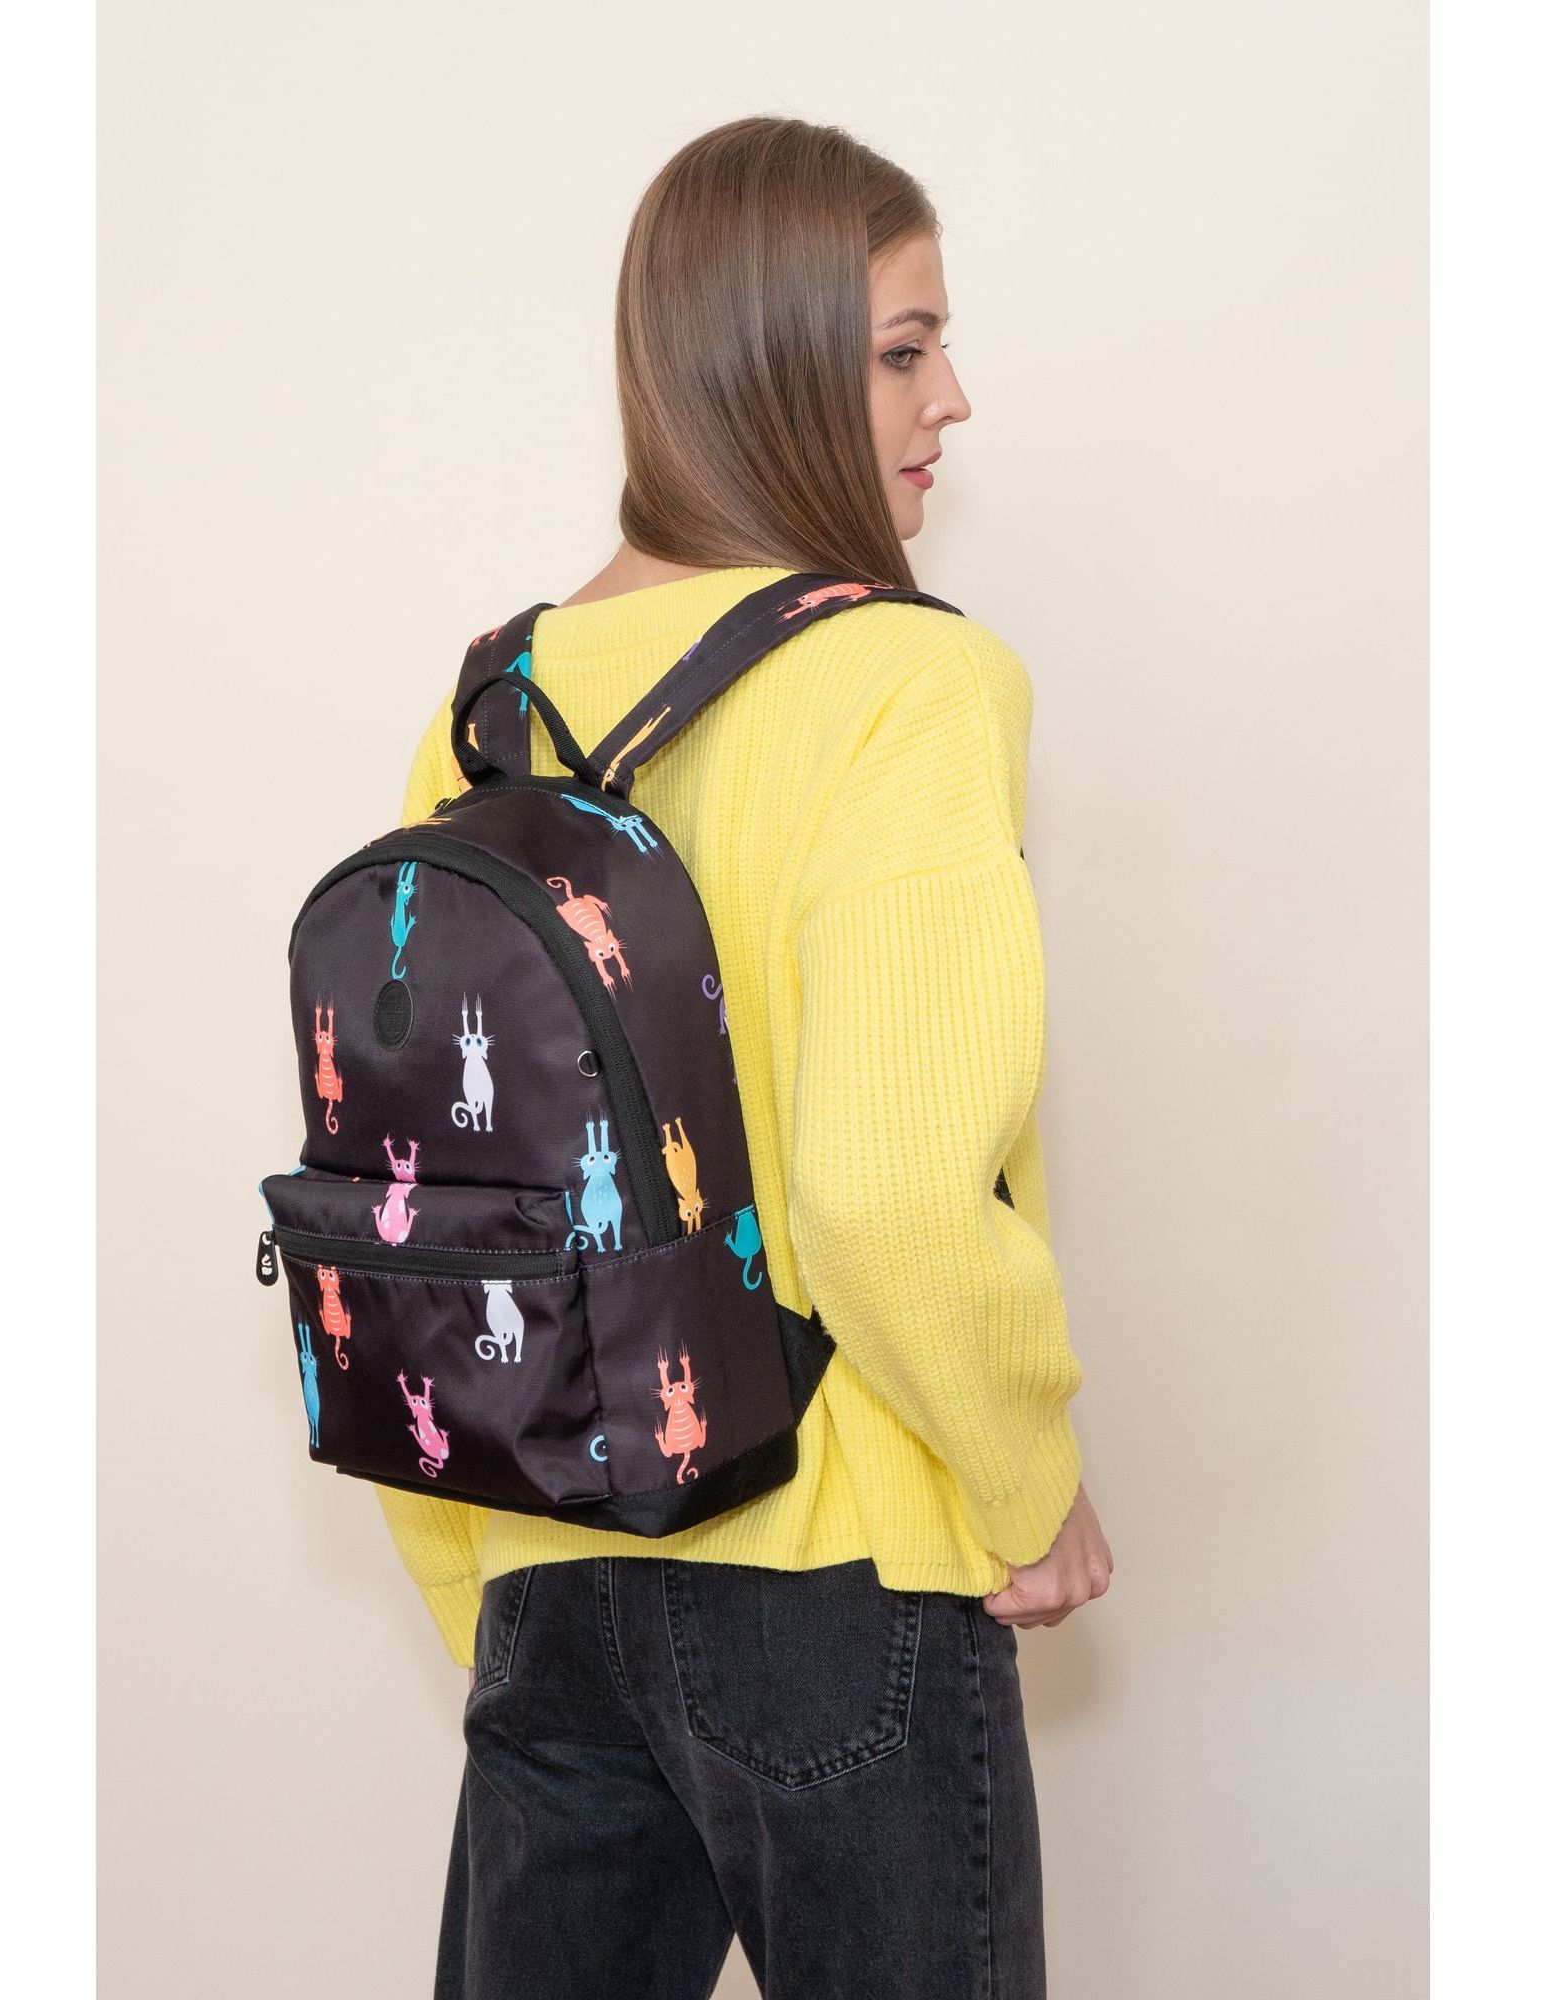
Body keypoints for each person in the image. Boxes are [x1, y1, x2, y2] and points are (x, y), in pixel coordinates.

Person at [379, 115, 1114, 2000]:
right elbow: (880, 1194)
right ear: (769, 360)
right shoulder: (912, 679)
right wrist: (1025, 1481)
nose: (952, 400)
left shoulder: (490, 709)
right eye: (902, 350)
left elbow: (421, 1202)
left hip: (548, 1563)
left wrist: (486, 1582)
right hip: (838, 1580)